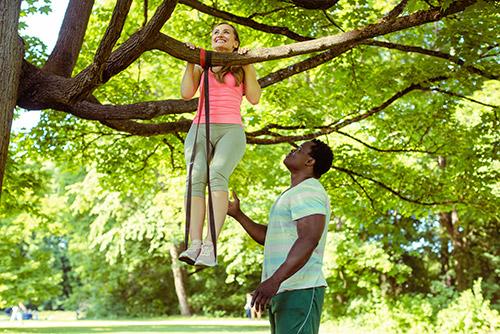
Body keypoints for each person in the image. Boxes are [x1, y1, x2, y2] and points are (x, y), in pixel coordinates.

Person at [228, 139, 333, 334]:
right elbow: (269, 237)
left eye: (301, 149)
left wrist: (274, 280)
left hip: (300, 288)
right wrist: (238, 215)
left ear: (310, 162)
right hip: (283, 289)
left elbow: (309, 239)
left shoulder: (308, 191)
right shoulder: (294, 193)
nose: (294, 149)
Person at [178, 22, 261, 267]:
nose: (219, 35)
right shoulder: (202, 63)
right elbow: (186, 93)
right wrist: (189, 60)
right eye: (215, 32)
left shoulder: (242, 66)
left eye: (226, 32)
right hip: (200, 127)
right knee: (195, 176)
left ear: (235, 42)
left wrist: (248, 63)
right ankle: (194, 244)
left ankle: (210, 245)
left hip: (231, 130)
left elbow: (255, 98)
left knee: (216, 174)